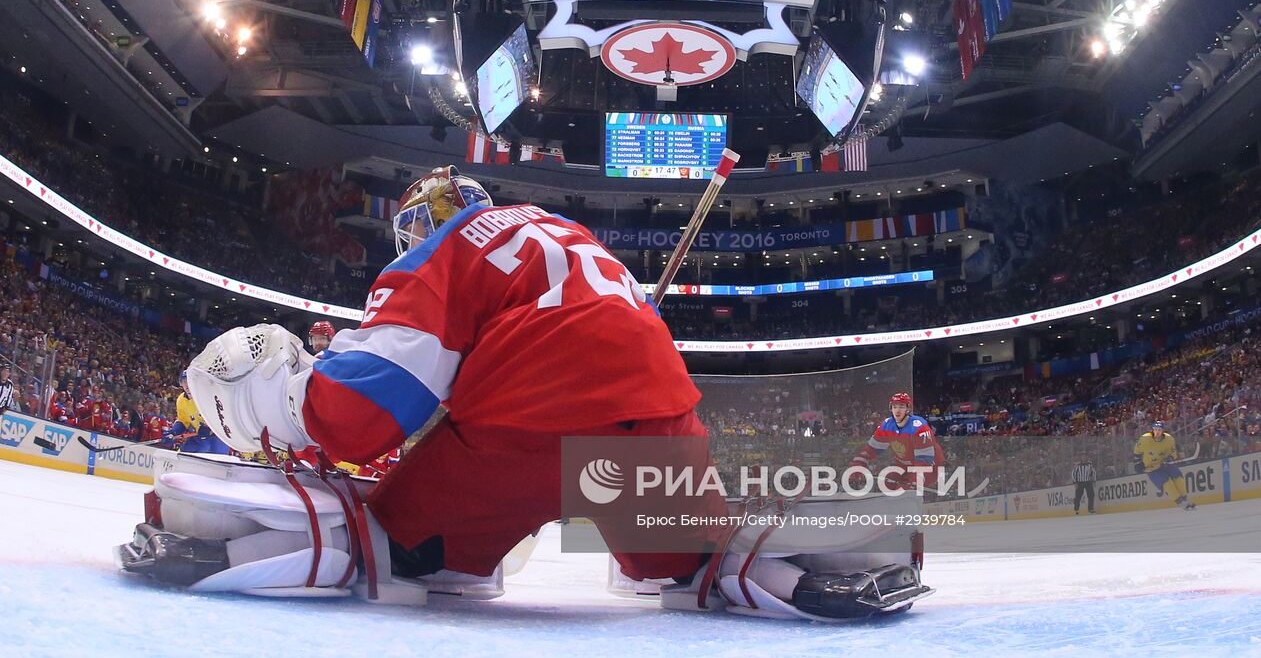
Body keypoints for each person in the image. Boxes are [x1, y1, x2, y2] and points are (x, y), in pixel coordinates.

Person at [120, 167, 929, 621]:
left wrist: (294, 401)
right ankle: (766, 560)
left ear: (421, 226)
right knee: (691, 565)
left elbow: (366, 413)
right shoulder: (573, 238)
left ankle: (261, 537)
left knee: (397, 550)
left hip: (527, 426)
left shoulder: (439, 253)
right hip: (660, 421)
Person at [849, 392, 943, 489]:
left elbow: (925, 461)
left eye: (901, 407)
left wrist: (913, 480)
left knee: (908, 489)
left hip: (931, 466)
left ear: (908, 409)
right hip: (903, 463)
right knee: (889, 483)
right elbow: (870, 450)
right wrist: (859, 463)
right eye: (894, 407)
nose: (897, 410)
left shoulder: (919, 427)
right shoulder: (886, 425)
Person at [1133, 420, 1195, 510]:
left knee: (1178, 478)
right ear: (1152, 430)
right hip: (1152, 467)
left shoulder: (1169, 439)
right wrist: (1137, 463)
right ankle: (1181, 502)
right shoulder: (1144, 439)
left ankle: (1185, 499)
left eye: (1159, 429)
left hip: (1166, 464)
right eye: (1155, 429)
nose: (1157, 432)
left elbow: (1173, 452)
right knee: (1166, 483)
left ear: (1163, 430)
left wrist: (1170, 458)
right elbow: (1137, 452)